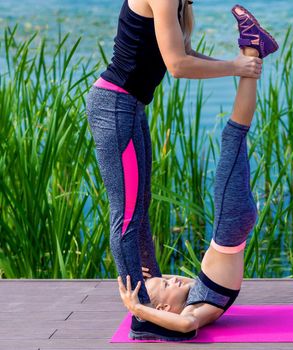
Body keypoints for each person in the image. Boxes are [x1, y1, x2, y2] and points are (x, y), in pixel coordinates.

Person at [85, 0, 278, 341]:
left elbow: (185, 52)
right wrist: (237, 67)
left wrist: (239, 67)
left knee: (139, 210)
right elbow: (176, 65)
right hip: (113, 106)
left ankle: (151, 296)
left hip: (128, 107)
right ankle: (142, 311)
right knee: (127, 216)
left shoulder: (176, 3)